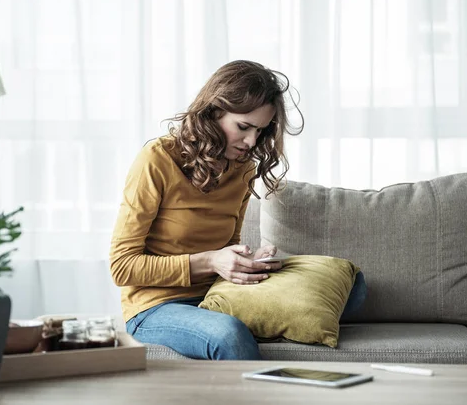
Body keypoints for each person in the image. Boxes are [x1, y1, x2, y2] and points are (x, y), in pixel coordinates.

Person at [109, 60, 364, 360]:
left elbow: (226, 247)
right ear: (213, 112)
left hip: (219, 294)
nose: (251, 141)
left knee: (350, 285)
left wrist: (245, 261)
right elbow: (122, 266)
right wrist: (211, 261)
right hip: (156, 306)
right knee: (229, 336)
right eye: (243, 127)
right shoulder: (156, 160)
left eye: (260, 130)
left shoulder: (242, 168)